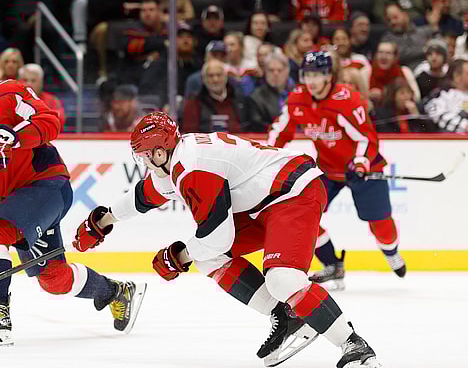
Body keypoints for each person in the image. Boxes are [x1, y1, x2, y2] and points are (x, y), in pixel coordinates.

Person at [73, 110, 381, 368]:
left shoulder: (193, 168)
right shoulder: (178, 160)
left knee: (283, 279)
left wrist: (177, 257)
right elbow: (144, 196)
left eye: (143, 156)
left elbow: (217, 237)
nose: (143, 163)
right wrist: (101, 221)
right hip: (266, 201)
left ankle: (354, 346)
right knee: (208, 258)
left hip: (293, 192)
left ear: (158, 152)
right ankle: (285, 317)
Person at [0, 64, 145, 346]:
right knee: (53, 278)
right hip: (17, 203)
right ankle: (115, 292)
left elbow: (50, 121)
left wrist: (14, 137)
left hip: (47, 185)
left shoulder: (7, 94)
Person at [268, 51, 408, 291]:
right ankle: (333, 264)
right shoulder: (297, 100)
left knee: (380, 223)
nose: (311, 81)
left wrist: (361, 162)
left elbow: (365, 137)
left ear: (329, 76)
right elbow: (280, 132)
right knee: (302, 214)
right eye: (307, 74)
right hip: (328, 170)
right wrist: (267, 156)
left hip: (364, 168)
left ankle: (391, 252)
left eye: (318, 74)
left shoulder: (347, 101)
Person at [181, 60, 249, 133]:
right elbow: (189, 134)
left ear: (226, 76)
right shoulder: (194, 102)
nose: (215, 79)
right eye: (211, 76)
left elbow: (248, 127)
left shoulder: (239, 98)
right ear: (203, 79)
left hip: (238, 142)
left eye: (219, 75)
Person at [247, 52, 295, 132]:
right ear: (265, 72)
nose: (275, 74)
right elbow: (257, 125)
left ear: (287, 71)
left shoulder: (297, 93)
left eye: (280, 70)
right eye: (271, 70)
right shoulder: (255, 97)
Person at [425, 58, 468, 132]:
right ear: (457, 76)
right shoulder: (442, 95)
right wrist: (464, 126)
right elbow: (436, 114)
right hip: (451, 140)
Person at [17, 63, 65, 128]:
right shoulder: (14, 100)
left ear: (41, 82)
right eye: (25, 80)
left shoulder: (52, 100)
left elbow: (60, 121)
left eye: (33, 81)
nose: (29, 84)